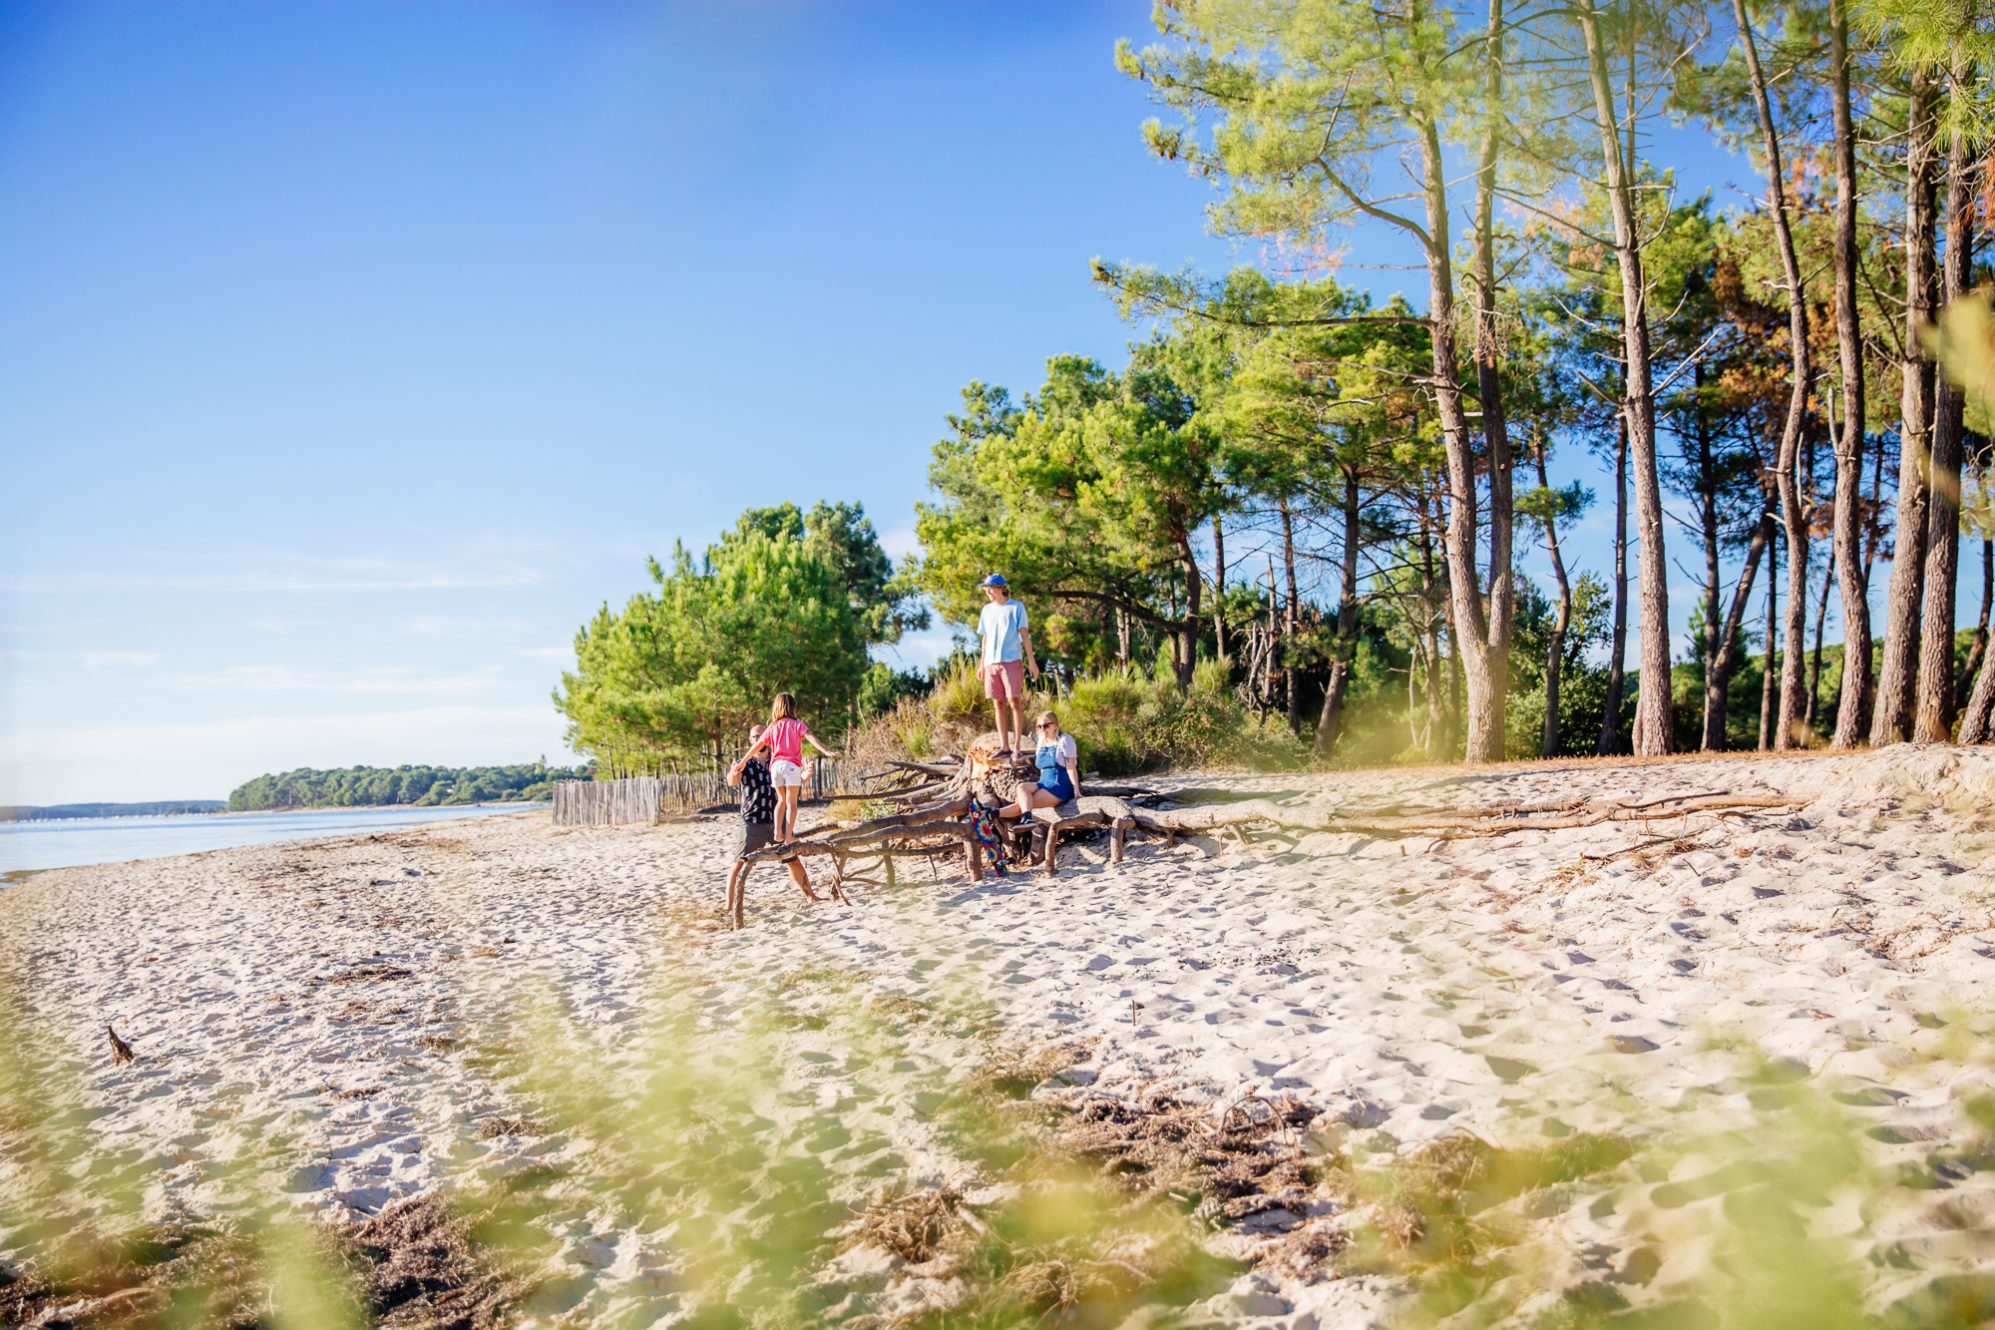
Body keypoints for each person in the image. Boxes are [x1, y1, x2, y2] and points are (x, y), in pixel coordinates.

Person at [724, 723, 820, 927]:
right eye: (753, 737)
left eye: (760, 735)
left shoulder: (779, 759)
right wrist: (733, 772)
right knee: (738, 865)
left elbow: (795, 779)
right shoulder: (746, 762)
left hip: (777, 819)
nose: (758, 739)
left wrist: (806, 776)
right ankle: (728, 907)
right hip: (753, 822)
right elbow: (732, 780)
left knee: (792, 859)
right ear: (750, 740)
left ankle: (810, 896)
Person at [738, 692, 840, 845]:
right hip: (791, 766)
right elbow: (811, 737)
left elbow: (757, 746)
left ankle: (777, 832)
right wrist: (825, 750)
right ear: (793, 708)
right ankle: (788, 838)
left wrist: (743, 761)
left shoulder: (772, 727)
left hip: (775, 767)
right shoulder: (797, 724)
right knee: (791, 803)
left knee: (781, 801)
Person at [977, 574, 1040, 757]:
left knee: (1015, 701)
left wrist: (1032, 662)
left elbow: (1025, 636)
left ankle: (1017, 747)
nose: (987, 591)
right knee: (998, 703)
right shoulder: (986, 610)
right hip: (991, 663)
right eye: (985, 588)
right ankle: (1005, 747)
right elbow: (985, 638)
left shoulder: (1016, 607)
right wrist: (981, 665)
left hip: (1011, 661)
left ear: (1000, 588)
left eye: (990, 588)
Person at [1003, 710, 1080, 821]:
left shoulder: (1065, 740)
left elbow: (1071, 767)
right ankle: (992, 813)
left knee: (1025, 803)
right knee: (1022, 788)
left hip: (1060, 786)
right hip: (1044, 783)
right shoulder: (1041, 742)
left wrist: (1076, 789)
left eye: (1045, 726)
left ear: (1055, 726)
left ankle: (991, 813)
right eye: (1039, 727)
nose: (1042, 729)